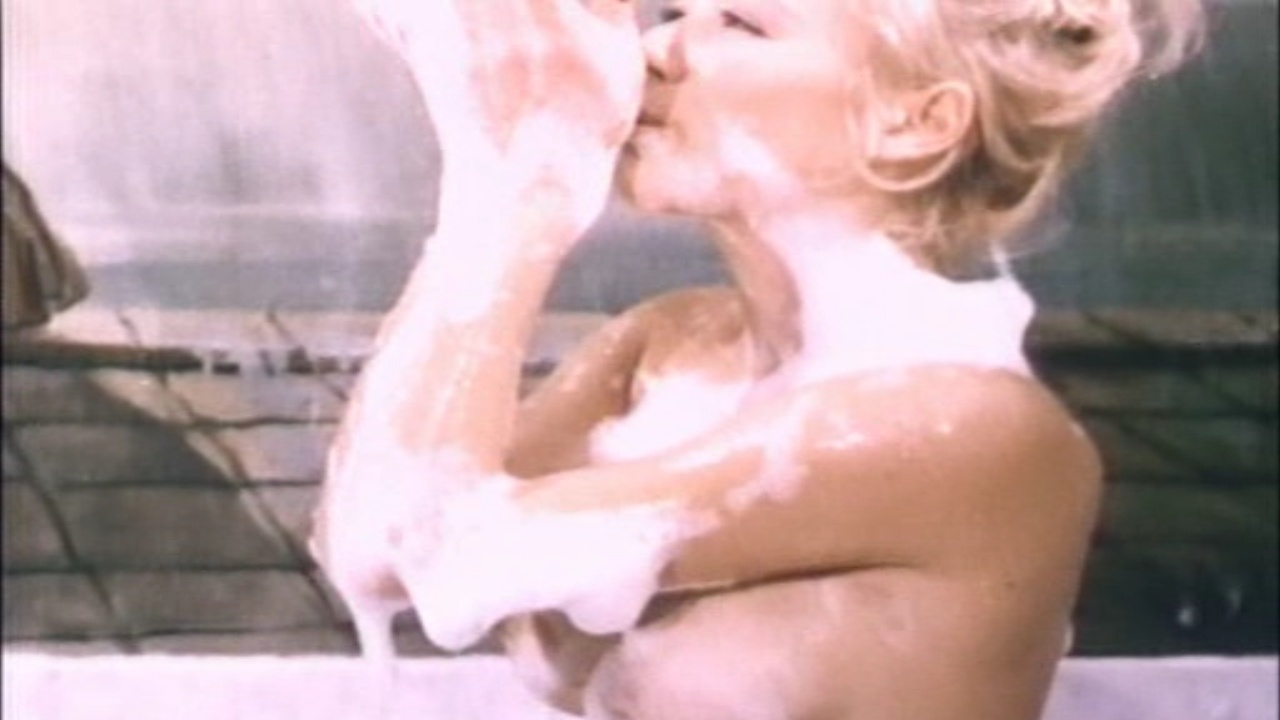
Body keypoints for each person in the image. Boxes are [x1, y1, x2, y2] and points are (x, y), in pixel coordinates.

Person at [311, 0, 1203, 717]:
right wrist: (506, 175)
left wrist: (517, 184)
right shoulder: (664, 345)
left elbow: (454, 554)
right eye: (677, 13)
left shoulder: (977, 432)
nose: (657, 49)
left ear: (913, 122)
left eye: (740, 22)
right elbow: (379, 558)